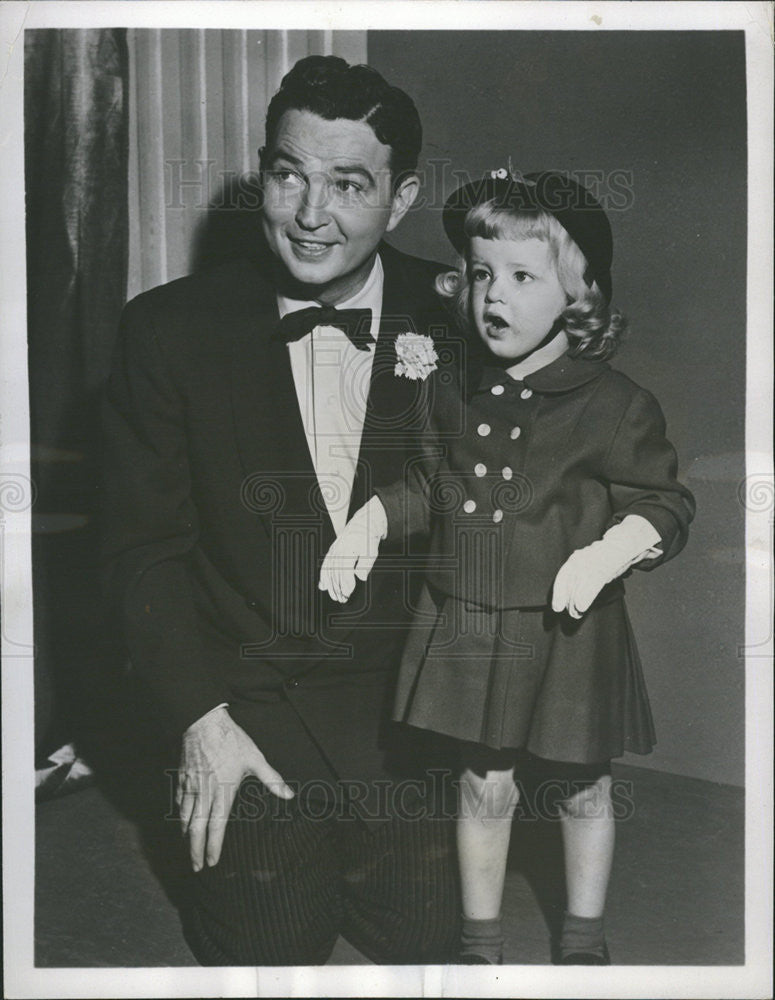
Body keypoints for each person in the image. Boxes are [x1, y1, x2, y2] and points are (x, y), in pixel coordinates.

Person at [101, 55, 461, 966]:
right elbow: (143, 550)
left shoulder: (464, 320)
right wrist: (199, 720)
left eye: (348, 184)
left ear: (403, 195)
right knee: (271, 953)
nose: (308, 214)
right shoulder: (165, 330)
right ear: (262, 171)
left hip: (406, 715)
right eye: (287, 173)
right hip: (247, 709)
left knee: (423, 945)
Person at [320, 169, 696, 964]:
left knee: (581, 784)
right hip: (469, 616)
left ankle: (584, 939)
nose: (495, 295)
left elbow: (664, 503)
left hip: (566, 629)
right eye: (484, 272)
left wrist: (609, 551)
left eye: (524, 277)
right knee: (481, 783)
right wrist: (370, 520)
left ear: (578, 290)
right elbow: (427, 485)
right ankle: (479, 942)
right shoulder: (450, 389)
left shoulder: (615, 403)